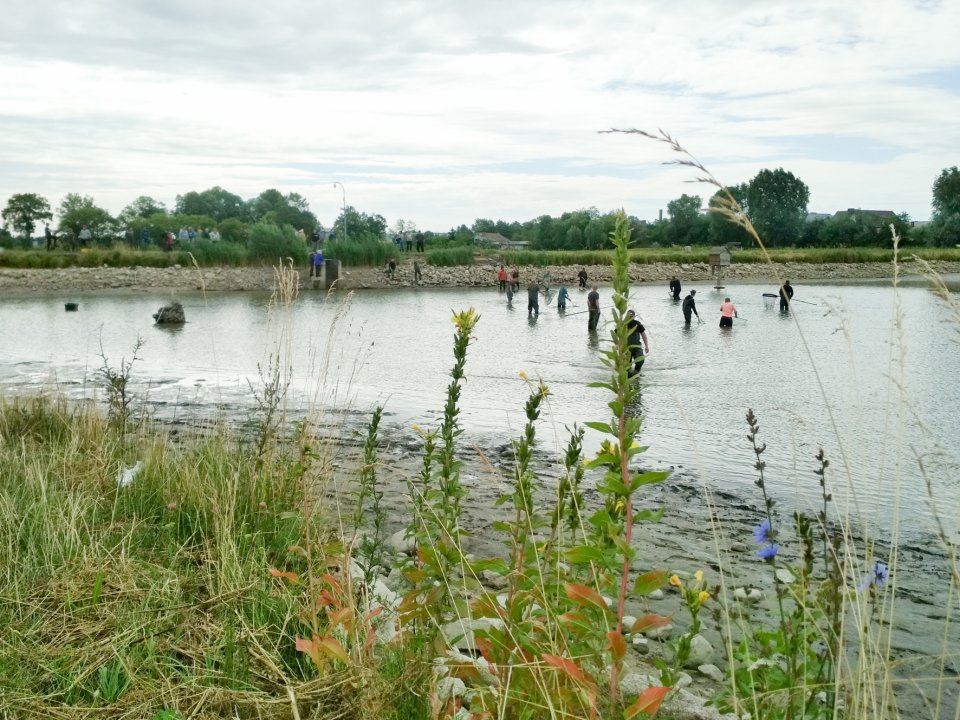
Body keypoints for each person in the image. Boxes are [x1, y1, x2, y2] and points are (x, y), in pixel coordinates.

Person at [626, 310, 650, 376]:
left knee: (640, 360)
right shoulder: (622, 324)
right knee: (626, 366)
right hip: (625, 348)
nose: (630, 317)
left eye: (631, 316)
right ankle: (628, 374)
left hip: (637, 347)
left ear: (634, 316)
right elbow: (617, 335)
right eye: (628, 316)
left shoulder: (637, 324)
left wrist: (646, 346)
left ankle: (637, 371)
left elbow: (643, 334)